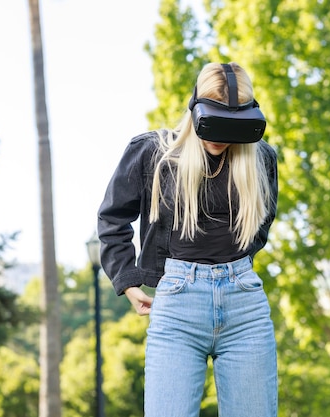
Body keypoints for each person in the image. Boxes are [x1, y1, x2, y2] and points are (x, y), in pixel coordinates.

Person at [97, 62, 279, 417]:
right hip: (177, 306)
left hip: (245, 307)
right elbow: (112, 217)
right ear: (194, 109)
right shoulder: (153, 153)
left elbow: (260, 225)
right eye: (213, 122)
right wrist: (128, 280)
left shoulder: (262, 160)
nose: (220, 136)